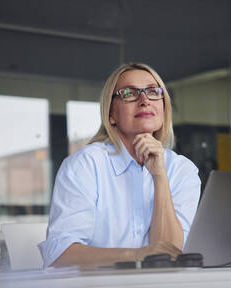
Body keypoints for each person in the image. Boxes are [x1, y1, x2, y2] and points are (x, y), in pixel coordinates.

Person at [38, 63, 201, 268]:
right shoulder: (85, 165)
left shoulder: (182, 170)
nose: (144, 101)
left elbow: (168, 254)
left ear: (163, 106)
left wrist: (159, 176)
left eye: (153, 92)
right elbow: (59, 256)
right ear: (110, 115)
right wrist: (137, 255)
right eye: (129, 93)